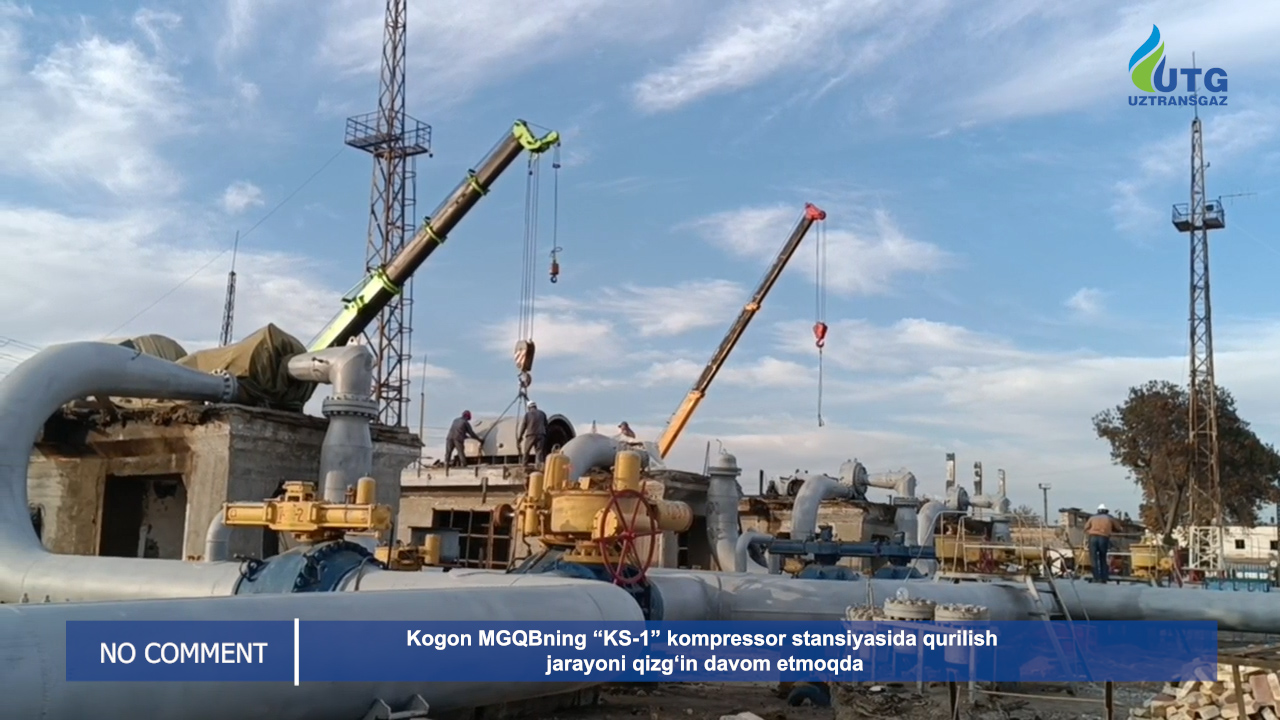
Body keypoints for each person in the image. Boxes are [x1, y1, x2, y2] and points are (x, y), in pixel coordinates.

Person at [1083, 503, 1124, 582]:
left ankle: (1096, 577)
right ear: (1106, 511)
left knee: (1093, 558)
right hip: (1103, 537)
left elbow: (1085, 528)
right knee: (1103, 557)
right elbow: (1119, 528)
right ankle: (1103, 577)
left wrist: (1091, 532)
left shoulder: (1092, 518)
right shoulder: (1109, 517)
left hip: (1092, 538)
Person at [520, 400, 548, 468]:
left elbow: (523, 426)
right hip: (541, 435)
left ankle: (524, 465)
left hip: (530, 435)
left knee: (526, 450)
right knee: (539, 451)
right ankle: (538, 466)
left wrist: (520, 436)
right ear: (535, 406)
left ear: (529, 407)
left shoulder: (527, 415)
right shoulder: (542, 413)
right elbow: (546, 425)